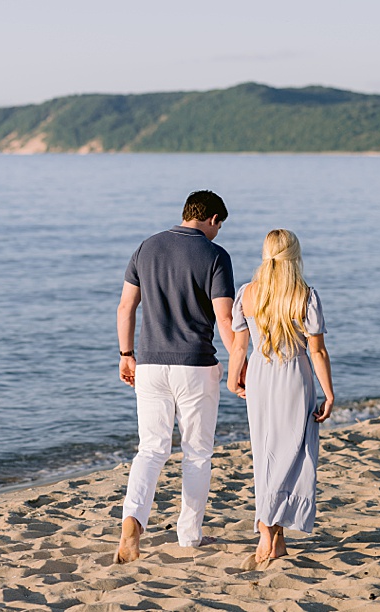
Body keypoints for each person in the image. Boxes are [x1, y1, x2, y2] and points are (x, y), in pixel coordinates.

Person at [114, 190, 236, 564]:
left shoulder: (146, 248)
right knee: (197, 453)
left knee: (150, 450)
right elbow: (225, 319)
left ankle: (132, 525)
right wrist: (242, 366)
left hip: (149, 364)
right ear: (213, 219)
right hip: (196, 365)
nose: (218, 234)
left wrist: (126, 355)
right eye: (219, 227)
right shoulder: (215, 256)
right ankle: (189, 535)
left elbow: (125, 307)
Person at [227, 229, 335, 565]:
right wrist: (329, 393)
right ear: (294, 255)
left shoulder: (248, 293)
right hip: (294, 376)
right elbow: (316, 350)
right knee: (293, 451)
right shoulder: (304, 295)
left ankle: (277, 536)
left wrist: (233, 379)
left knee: (266, 452)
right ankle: (266, 529)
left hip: (260, 375)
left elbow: (240, 345)